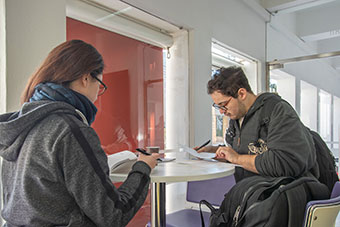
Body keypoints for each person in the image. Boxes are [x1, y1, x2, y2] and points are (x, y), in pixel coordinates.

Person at [0, 40, 159, 226]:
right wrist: (143, 168)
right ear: (85, 79)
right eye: (100, 86)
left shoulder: (21, 125)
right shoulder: (71, 130)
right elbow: (113, 215)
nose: (97, 95)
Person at [198, 66, 318, 182]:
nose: (221, 111)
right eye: (218, 106)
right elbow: (243, 155)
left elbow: (285, 162)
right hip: (249, 192)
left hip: (277, 194)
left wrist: (237, 158)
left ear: (241, 94)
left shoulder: (277, 111)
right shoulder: (236, 120)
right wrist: (216, 152)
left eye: (224, 105)